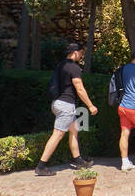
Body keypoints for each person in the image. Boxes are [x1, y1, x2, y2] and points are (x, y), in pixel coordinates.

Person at [36, 41, 98, 176]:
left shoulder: (61, 65)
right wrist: (90, 105)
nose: (81, 56)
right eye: (81, 53)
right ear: (75, 52)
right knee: (58, 134)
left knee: (74, 130)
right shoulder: (73, 67)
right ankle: (41, 166)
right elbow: (80, 89)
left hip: (57, 103)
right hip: (66, 105)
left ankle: (78, 160)